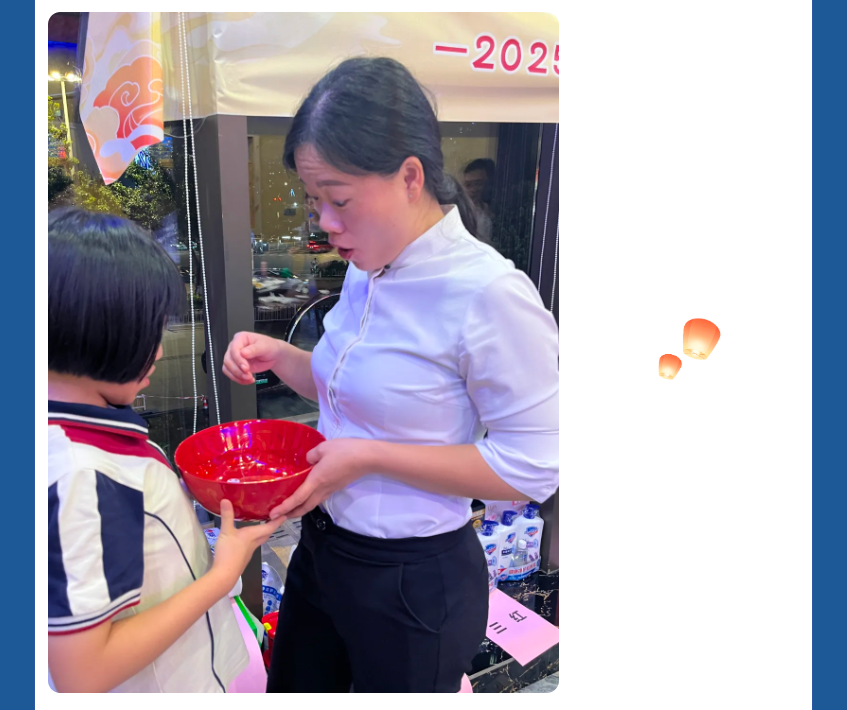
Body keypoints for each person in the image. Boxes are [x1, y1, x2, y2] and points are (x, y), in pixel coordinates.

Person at [222, 57, 559, 693]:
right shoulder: (365, 267)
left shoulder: (489, 294)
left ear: (410, 176)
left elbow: (534, 465)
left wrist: (370, 457)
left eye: (339, 199)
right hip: (323, 550)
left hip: (412, 583)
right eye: (314, 201)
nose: (325, 223)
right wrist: (281, 357)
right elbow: (355, 393)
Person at [47, 208, 284, 693]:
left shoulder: (80, 429)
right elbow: (82, 674)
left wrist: (177, 493)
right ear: (100, 330)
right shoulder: (82, 474)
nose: (158, 350)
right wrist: (224, 574)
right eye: (150, 331)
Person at [463, 158, 496, 242]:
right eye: (468, 185)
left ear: (490, 184)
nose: (473, 189)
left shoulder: (500, 214)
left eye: (478, 184)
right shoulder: (461, 215)